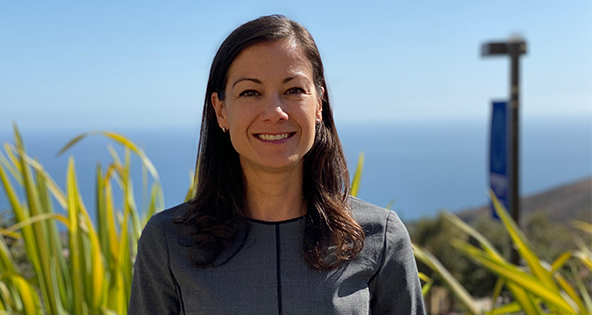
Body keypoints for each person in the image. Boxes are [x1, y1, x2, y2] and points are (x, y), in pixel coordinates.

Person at [129, 15, 425, 315]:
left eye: (293, 90)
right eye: (250, 92)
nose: (274, 112)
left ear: (319, 104)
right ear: (221, 111)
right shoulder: (168, 244)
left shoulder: (380, 238)